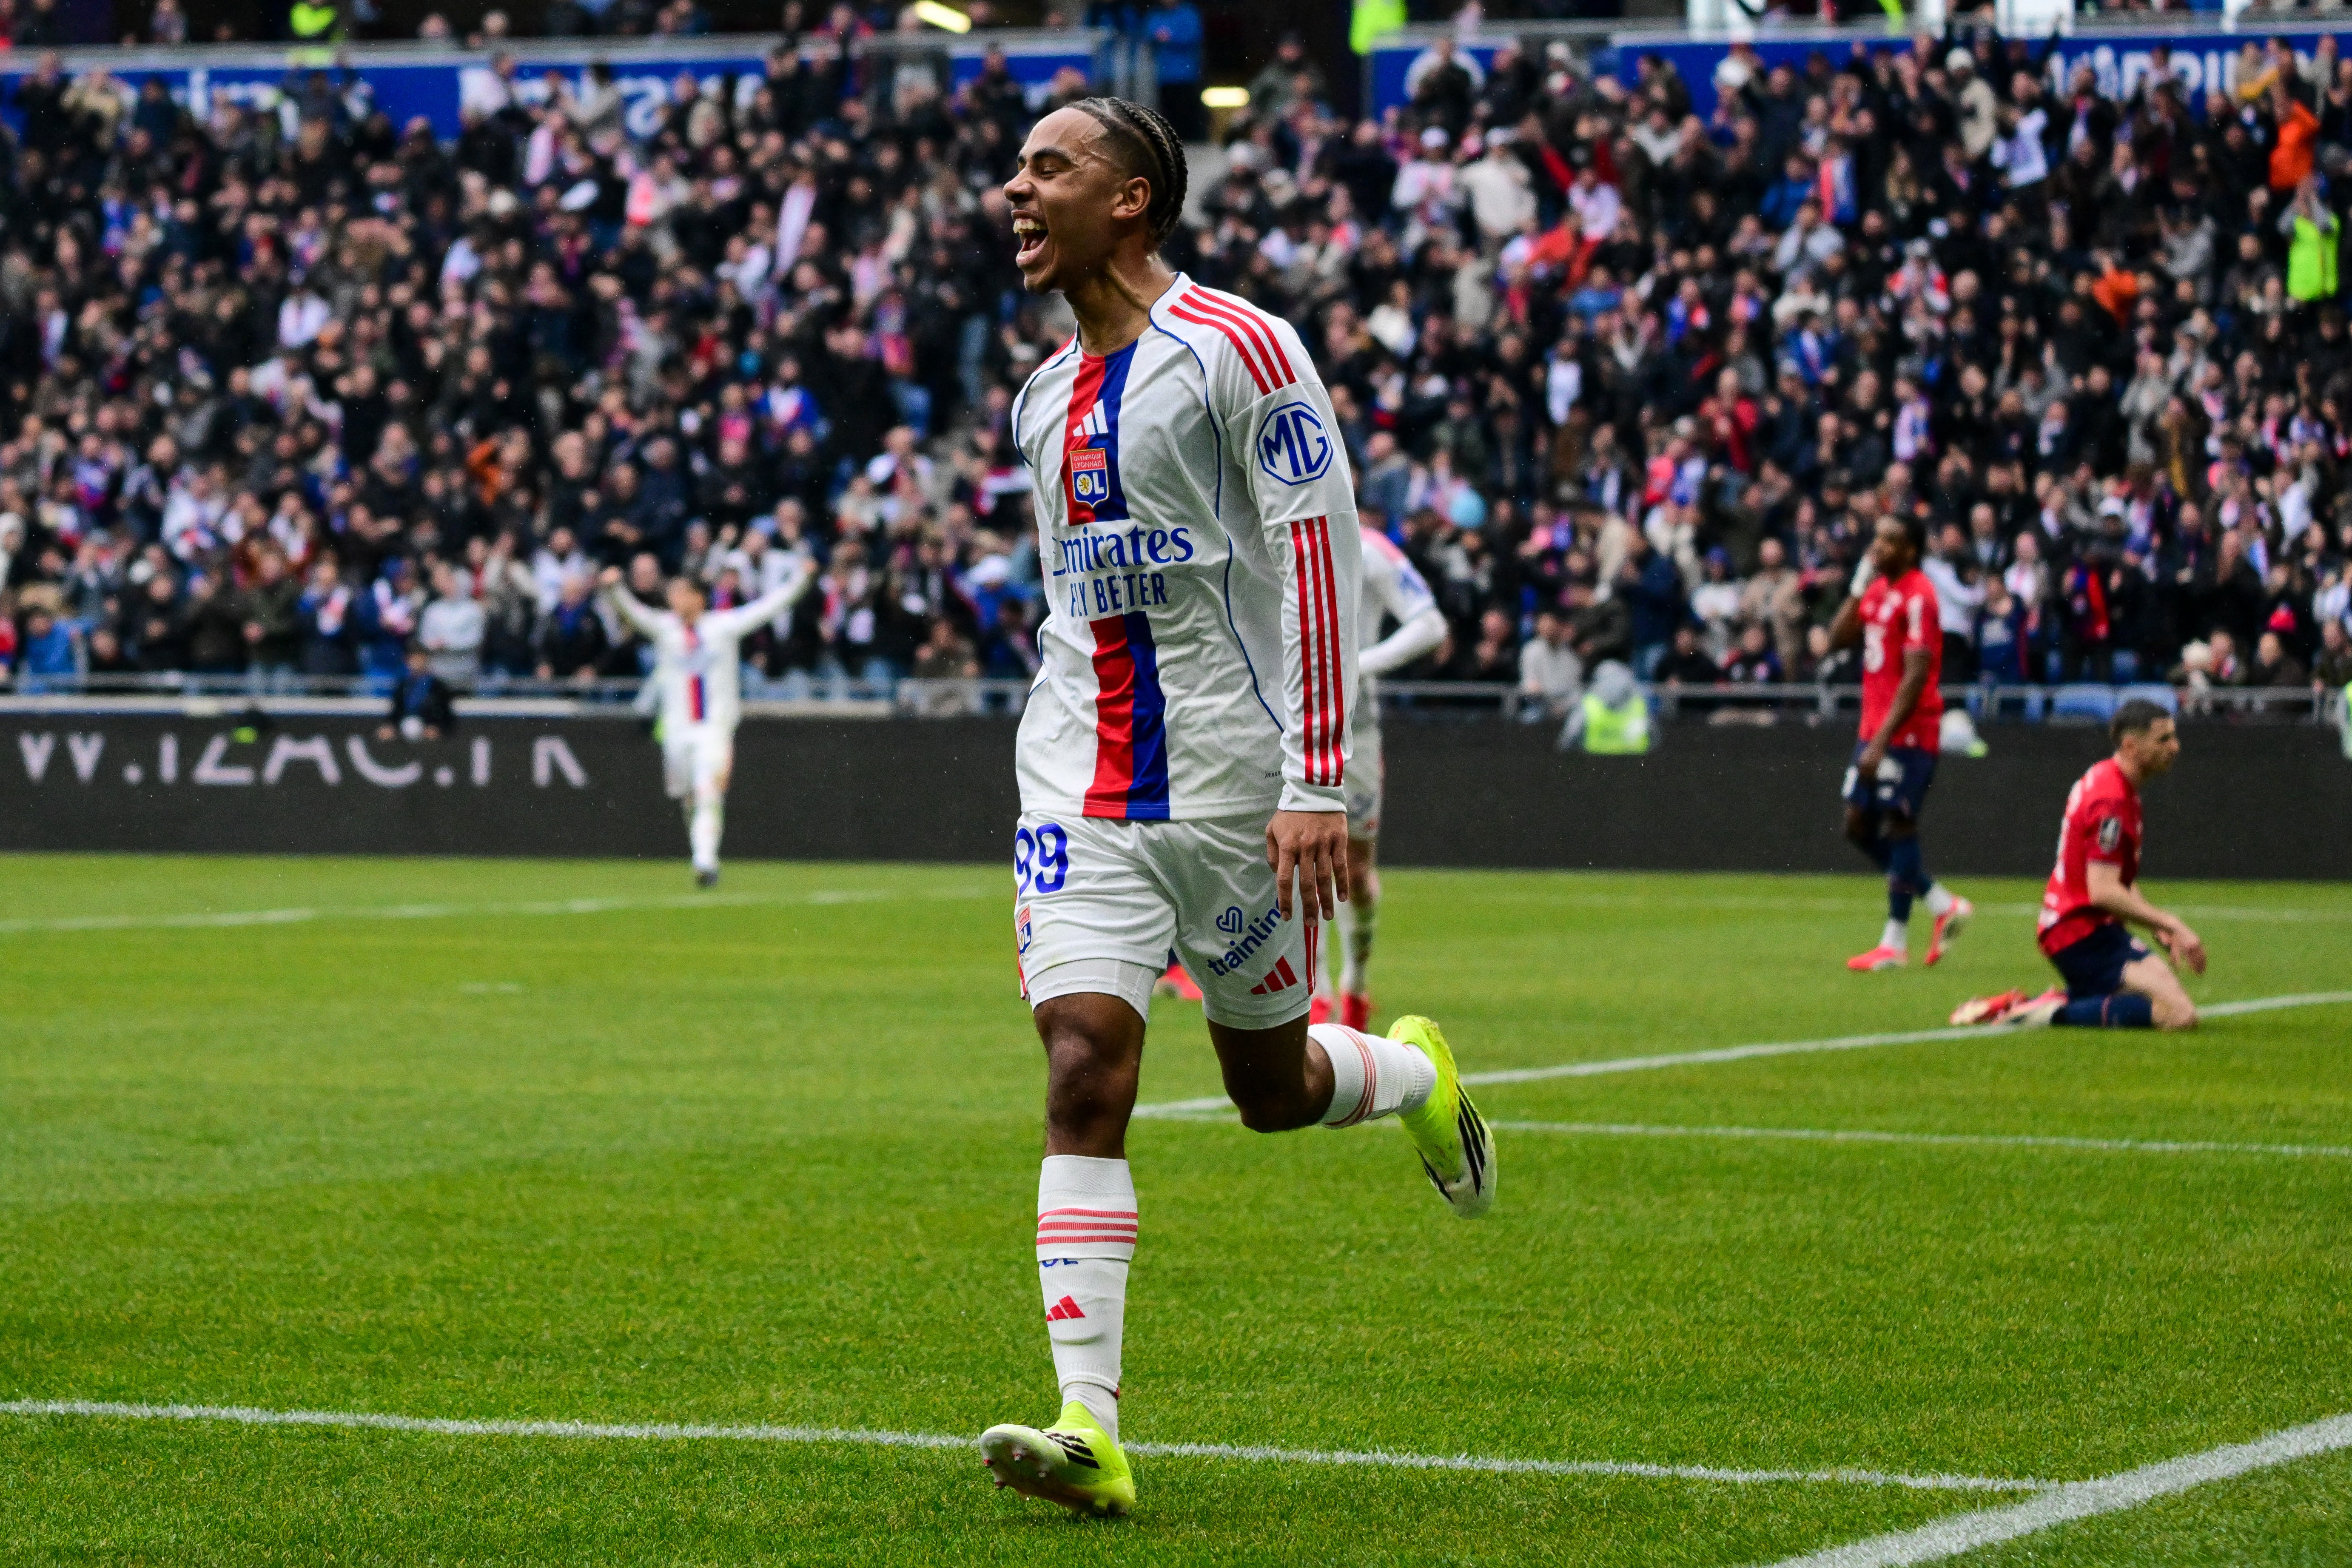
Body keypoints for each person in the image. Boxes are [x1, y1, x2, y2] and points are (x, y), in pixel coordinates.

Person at [982, 96, 1495, 1521]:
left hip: (1228, 784)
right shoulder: (1038, 402)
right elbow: (1072, 608)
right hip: (1076, 783)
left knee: (1270, 1093)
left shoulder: (1242, 350)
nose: (1014, 190)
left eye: (1047, 169)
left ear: (1131, 197)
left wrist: (1317, 779)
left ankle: (1410, 1075)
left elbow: (1317, 555)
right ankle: (1091, 1423)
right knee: (1086, 1060)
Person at [1952, 701, 2203, 1030]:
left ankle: (2034, 1003)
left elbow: (2116, 878)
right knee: (2178, 1016)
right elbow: (2102, 891)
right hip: (2079, 933)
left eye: (2173, 737)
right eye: (2163, 739)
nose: (2175, 746)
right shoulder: (2111, 800)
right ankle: (2048, 1013)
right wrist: (2171, 923)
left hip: (2089, 928)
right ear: (2130, 746)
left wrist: (2153, 924)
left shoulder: (2112, 781)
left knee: (2158, 999)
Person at [597, 560, 810, 886]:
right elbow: (633, 612)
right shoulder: (665, 627)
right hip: (678, 730)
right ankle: (701, 851)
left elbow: (769, 607)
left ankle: (705, 860)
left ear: (699, 598)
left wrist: (802, 579)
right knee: (688, 796)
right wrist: (614, 588)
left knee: (708, 789)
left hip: (714, 728)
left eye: (681, 593)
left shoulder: (723, 626)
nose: (674, 600)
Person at [1315, 523, 1447, 1030]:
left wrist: (1358, 665)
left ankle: (1356, 983)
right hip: (1282, 718)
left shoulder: (1368, 546)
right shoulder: (1258, 532)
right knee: (1296, 855)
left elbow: (1430, 623)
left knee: (1353, 868)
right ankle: (1317, 992)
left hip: (1355, 728)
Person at [1829, 514, 1972, 970]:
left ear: (1910, 550)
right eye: (1877, 537)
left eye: (1889, 540)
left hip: (1907, 732)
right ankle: (1939, 901)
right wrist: (1857, 583)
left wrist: (1883, 740)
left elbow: (1915, 675)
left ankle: (1894, 943)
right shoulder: (1876, 590)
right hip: (1873, 730)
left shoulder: (1919, 596)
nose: (1878, 546)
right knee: (1856, 825)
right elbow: (1836, 639)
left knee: (1898, 822)